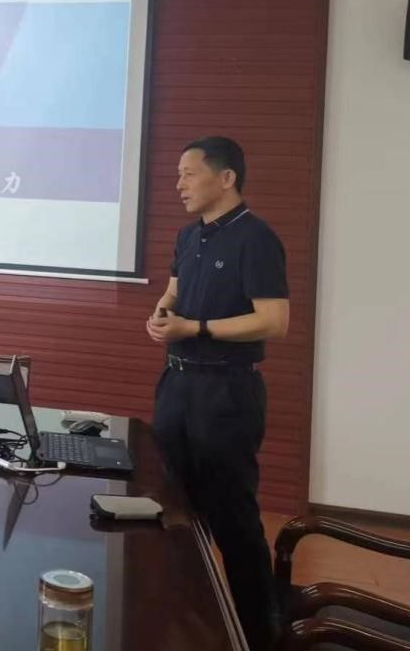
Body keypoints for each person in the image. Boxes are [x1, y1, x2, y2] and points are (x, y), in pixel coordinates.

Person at [147, 137, 290, 651]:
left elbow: (274, 320)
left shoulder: (257, 238)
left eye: (189, 174)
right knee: (170, 509)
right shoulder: (190, 235)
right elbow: (174, 289)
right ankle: (186, 624)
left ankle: (259, 635)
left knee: (233, 520)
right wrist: (162, 314)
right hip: (177, 385)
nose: (179, 185)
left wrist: (196, 328)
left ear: (226, 178)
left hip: (227, 393)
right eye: (178, 175)